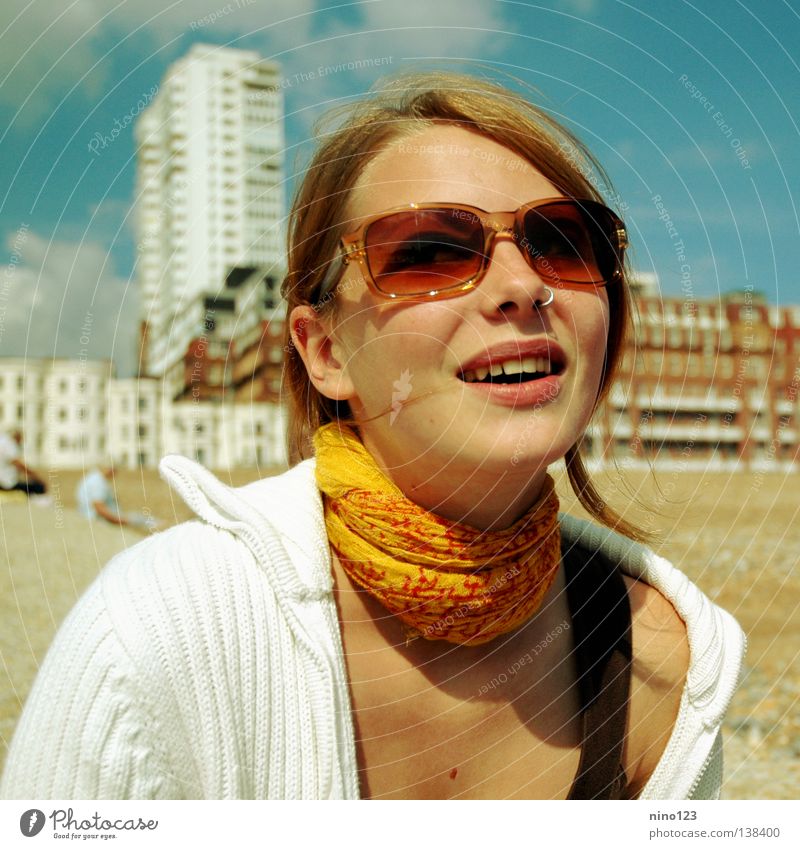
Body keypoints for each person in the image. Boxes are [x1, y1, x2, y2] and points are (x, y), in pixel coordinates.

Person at [1, 72, 744, 800]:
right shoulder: (160, 630)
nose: (524, 284)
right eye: (427, 252)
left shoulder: (665, 665)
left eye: (562, 241)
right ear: (325, 351)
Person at [75, 465, 164, 532]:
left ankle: (160, 524)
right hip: (99, 520)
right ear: (111, 470)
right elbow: (100, 509)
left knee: (140, 517)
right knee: (139, 519)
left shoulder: (93, 477)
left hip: (97, 517)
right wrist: (122, 521)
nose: (115, 475)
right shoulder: (97, 483)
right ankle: (162, 526)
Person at [0, 429, 47, 496]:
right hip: (5, 483)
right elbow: (20, 466)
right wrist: (37, 478)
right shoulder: (9, 445)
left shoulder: (2, 441)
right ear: (17, 437)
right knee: (39, 486)